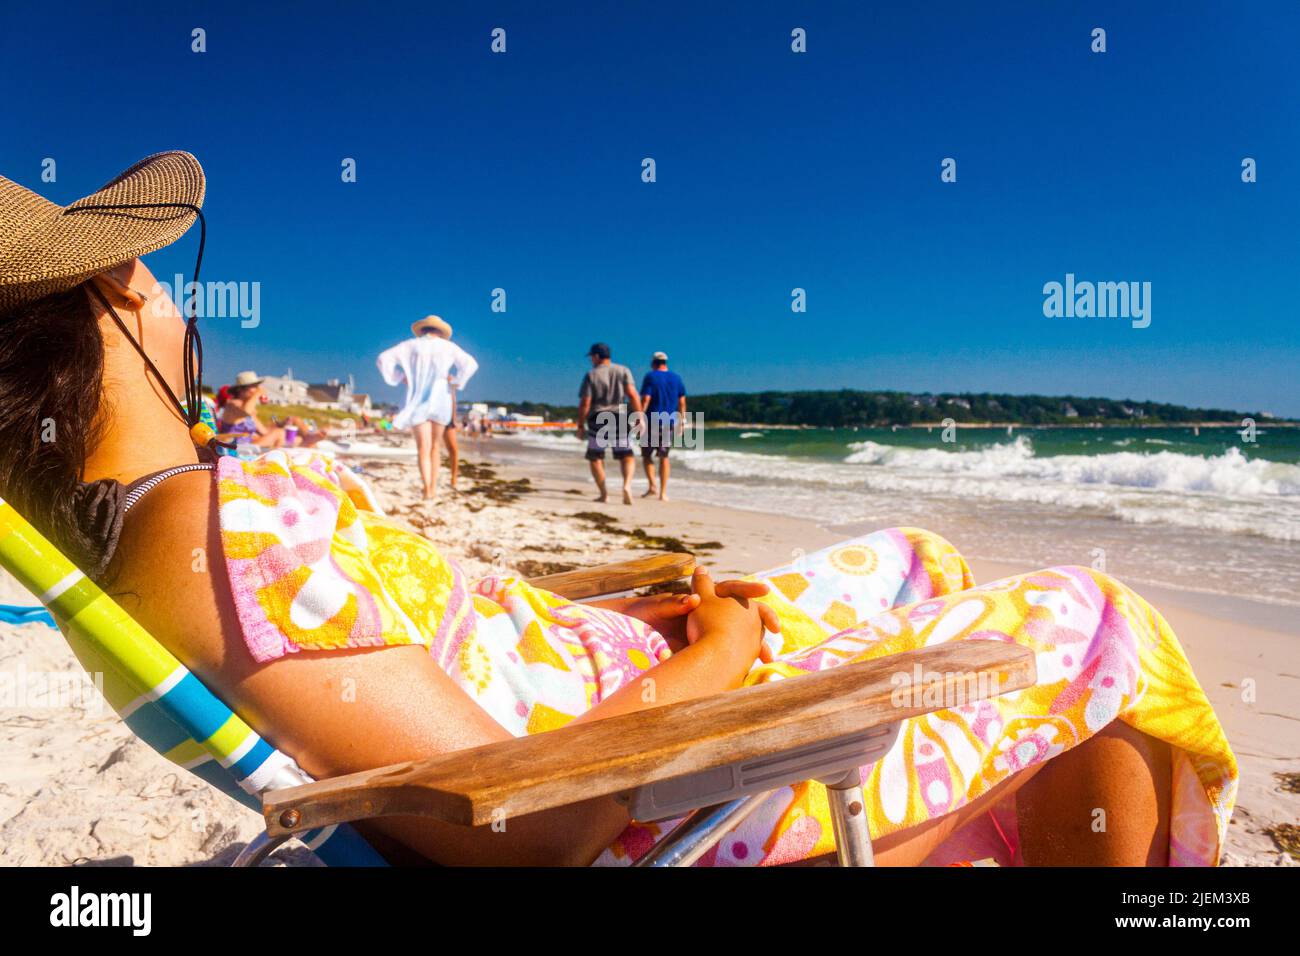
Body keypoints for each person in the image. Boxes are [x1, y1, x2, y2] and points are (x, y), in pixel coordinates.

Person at [0, 153, 1236, 867]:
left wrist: (633, 622)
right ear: (108, 300)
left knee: (920, 554)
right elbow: (524, 818)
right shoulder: (218, 537)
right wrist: (721, 652)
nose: (171, 295)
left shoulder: (172, 521)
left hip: (619, 696)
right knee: (1094, 617)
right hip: (666, 787)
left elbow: (430, 645)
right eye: (149, 269)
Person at [377, 315, 478, 500]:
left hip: (417, 400)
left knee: (423, 448)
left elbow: (383, 359)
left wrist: (400, 377)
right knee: (435, 446)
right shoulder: (449, 347)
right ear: (440, 331)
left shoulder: (410, 345)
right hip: (441, 399)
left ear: (423, 329)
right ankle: (433, 488)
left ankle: (427, 490)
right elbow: (470, 364)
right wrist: (456, 381)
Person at [577, 342, 642, 504]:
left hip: (598, 418)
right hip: (620, 416)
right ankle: (627, 486)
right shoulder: (623, 370)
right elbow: (632, 395)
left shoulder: (591, 375)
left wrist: (580, 425)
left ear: (597, 356)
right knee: (626, 455)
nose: (591, 360)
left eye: (591, 357)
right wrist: (640, 416)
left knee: (595, 457)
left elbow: (585, 402)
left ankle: (604, 494)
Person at [217, 371, 323, 449]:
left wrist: (281, 424)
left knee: (295, 426)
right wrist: (258, 394)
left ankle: (308, 437)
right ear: (241, 389)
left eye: (257, 386)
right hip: (236, 446)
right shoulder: (232, 404)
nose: (257, 389)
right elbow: (246, 411)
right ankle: (307, 441)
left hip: (249, 443)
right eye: (254, 386)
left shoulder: (249, 408)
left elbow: (263, 431)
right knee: (279, 433)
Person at [639, 350, 687, 500]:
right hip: (669, 422)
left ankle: (652, 486)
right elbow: (682, 402)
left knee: (647, 455)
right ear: (665, 363)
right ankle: (663, 493)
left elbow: (646, 399)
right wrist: (682, 421)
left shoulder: (650, 376)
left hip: (651, 421)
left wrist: (639, 417)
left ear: (653, 363)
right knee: (664, 457)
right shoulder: (677, 378)